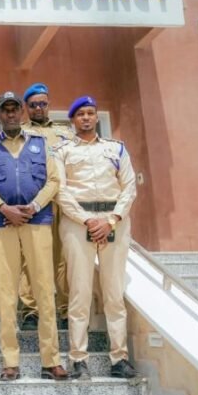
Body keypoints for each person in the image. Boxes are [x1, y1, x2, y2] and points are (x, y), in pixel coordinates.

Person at [0, 91, 67, 382]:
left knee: (44, 291)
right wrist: (4, 208)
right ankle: (10, 361)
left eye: (15, 109)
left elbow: (54, 180)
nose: (11, 114)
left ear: (22, 113)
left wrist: (35, 206)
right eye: (6, 110)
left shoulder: (41, 143)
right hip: (1, 223)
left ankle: (51, 360)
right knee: (6, 293)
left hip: (37, 222)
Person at [56, 95, 139, 380]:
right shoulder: (62, 151)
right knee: (79, 294)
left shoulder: (116, 148)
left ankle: (119, 359)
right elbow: (60, 191)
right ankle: (78, 359)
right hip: (78, 223)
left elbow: (129, 187)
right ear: (73, 119)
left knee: (114, 294)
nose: (87, 118)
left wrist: (111, 220)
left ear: (95, 117)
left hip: (114, 222)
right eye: (81, 114)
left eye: (91, 113)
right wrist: (89, 220)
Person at [18, 82, 75, 331]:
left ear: (48, 104)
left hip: (62, 202)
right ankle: (30, 310)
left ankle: (65, 309)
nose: (38, 108)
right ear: (26, 107)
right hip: (34, 203)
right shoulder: (19, 132)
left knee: (63, 258)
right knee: (29, 257)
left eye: (42, 103)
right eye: (33, 105)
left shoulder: (66, 133)